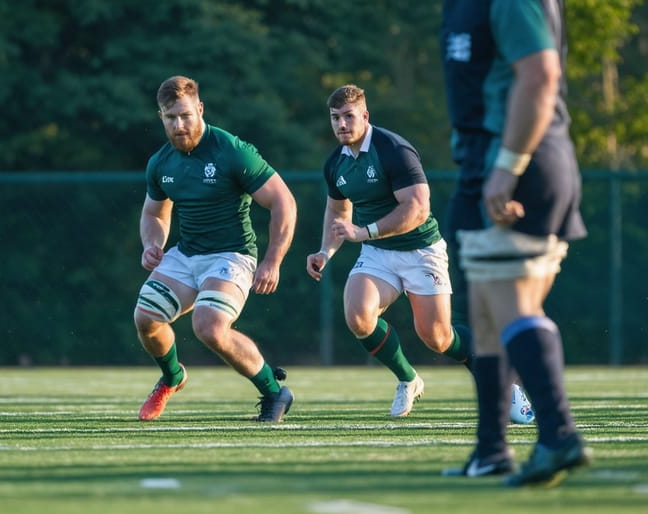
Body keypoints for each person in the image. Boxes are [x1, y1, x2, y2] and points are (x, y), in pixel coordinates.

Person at [439, 0, 592, 486]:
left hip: (514, 162)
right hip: (488, 162)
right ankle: (491, 450)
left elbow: (540, 75)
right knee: (485, 314)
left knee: (511, 305)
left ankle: (559, 434)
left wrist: (508, 166)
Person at [134, 75, 297, 423]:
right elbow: (154, 213)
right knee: (146, 319)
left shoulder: (231, 151)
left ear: (200, 109)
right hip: (186, 253)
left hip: (232, 254)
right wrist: (152, 244)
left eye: (185, 115)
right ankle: (172, 377)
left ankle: (274, 392)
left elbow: (283, 201)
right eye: (170, 117)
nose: (179, 125)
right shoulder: (161, 162)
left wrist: (273, 261)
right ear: (160, 117)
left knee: (209, 326)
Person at [306, 84, 475, 418]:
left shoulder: (393, 149)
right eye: (335, 118)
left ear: (365, 116)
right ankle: (408, 379)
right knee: (358, 316)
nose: (342, 124)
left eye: (349, 116)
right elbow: (338, 212)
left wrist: (364, 231)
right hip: (378, 253)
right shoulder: (335, 163)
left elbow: (418, 209)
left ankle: (491, 367)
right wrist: (325, 251)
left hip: (420, 250)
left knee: (437, 338)